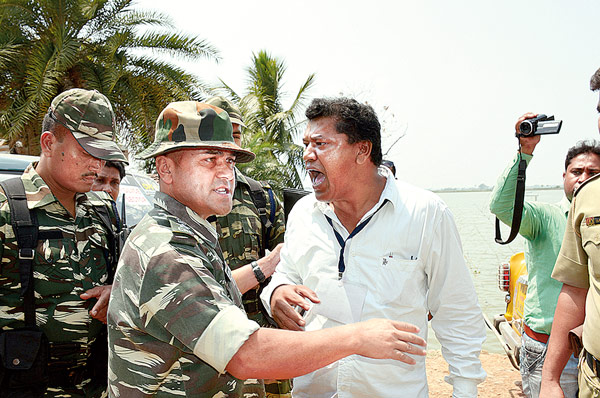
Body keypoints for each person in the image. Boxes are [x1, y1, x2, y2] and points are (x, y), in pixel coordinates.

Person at [106, 101, 427, 397]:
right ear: (165, 169)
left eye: (229, 161)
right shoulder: (167, 251)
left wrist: (276, 288)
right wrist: (357, 338)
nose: (226, 173)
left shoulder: (193, 232)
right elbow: (246, 355)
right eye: (209, 160)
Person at [260, 97, 486, 397]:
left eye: (321, 144)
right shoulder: (303, 213)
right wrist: (276, 293)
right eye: (306, 144)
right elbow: (285, 273)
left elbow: (457, 310)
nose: (307, 155)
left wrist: (465, 390)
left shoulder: (425, 213)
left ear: (362, 150)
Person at [0, 88, 127, 397]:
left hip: (95, 384)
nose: (97, 165)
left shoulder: (103, 210)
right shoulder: (6, 210)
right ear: (48, 142)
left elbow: (131, 278)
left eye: (103, 154)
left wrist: (118, 290)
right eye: (86, 151)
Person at [489, 115, 600, 398]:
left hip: (594, 352)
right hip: (547, 346)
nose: (583, 179)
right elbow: (502, 205)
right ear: (564, 177)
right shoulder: (543, 216)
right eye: (577, 172)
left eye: (593, 173)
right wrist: (524, 152)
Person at [204, 96, 290, 398]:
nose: (229, 142)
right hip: (208, 337)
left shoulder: (260, 196)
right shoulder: (190, 199)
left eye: (235, 134)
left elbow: (286, 263)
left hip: (261, 334)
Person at [540, 68, 600, 398]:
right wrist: (550, 379)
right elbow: (575, 289)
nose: (582, 177)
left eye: (591, 171)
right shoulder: (586, 200)